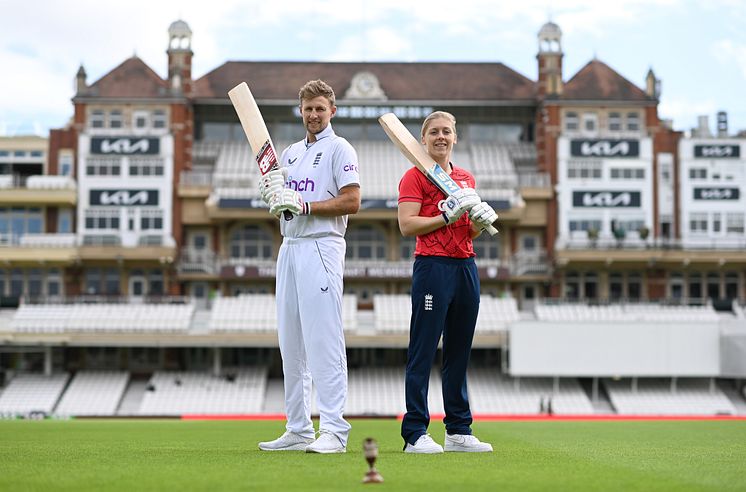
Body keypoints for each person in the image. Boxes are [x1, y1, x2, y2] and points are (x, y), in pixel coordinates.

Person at [256, 79, 360, 454]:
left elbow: (352, 201)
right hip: (290, 247)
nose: (313, 115)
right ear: (300, 111)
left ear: (332, 111)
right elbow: (286, 204)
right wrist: (276, 198)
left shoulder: (339, 148)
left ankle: (333, 429)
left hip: (321, 247)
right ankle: (298, 428)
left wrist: (306, 206)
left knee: (323, 340)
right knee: (291, 342)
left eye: (320, 108)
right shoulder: (289, 154)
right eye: (307, 108)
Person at [397, 111, 497, 453]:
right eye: (434, 132)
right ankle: (414, 433)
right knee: (423, 350)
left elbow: (468, 229)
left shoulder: (466, 178)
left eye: (446, 132)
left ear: (455, 138)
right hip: (432, 266)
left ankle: (457, 430)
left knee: (458, 352)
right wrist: (444, 215)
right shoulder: (415, 176)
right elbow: (407, 225)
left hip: (465, 265)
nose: (441, 137)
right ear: (423, 140)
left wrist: (480, 223)